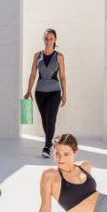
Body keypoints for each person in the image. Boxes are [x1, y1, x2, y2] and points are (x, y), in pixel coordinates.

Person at [24, 28, 67, 158]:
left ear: (55, 40)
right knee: (45, 120)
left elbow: (63, 77)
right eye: (46, 38)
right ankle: (50, 142)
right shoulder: (37, 55)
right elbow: (32, 74)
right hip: (40, 92)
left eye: (51, 39)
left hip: (54, 92)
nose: (48, 41)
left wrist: (64, 94)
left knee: (51, 119)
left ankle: (47, 147)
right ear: (44, 40)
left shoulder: (59, 56)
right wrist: (28, 91)